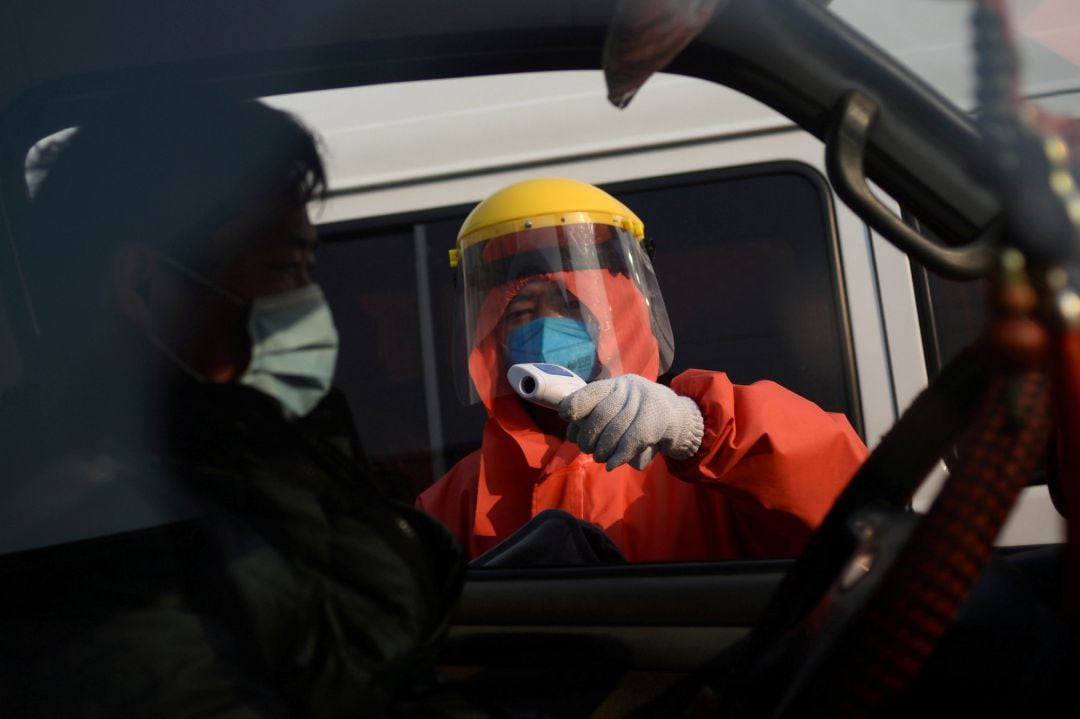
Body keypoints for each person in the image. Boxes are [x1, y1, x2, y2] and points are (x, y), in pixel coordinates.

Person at [0, 92, 483, 718]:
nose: (311, 299)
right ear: (145, 288)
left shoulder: (230, 457)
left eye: (309, 264)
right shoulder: (81, 530)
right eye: (283, 266)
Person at [417, 177, 868, 563]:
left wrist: (701, 432)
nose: (545, 326)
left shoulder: (695, 459)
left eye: (571, 306)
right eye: (521, 313)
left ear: (620, 316)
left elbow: (850, 508)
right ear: (490, 335)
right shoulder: (456, 500)